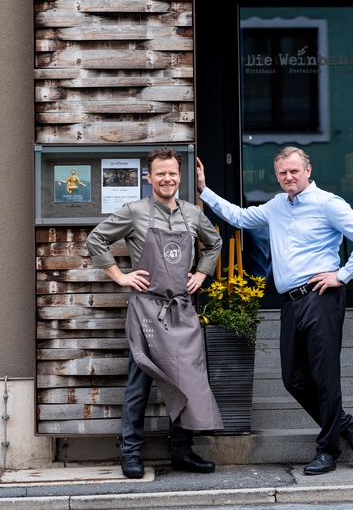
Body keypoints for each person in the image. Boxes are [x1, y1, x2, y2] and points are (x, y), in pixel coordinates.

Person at [196, 146, 353, 475]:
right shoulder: (277, 206)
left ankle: (328, 450)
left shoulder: (328, 204)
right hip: (291, 302)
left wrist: (342, 275)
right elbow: (239, 217)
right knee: (293, 378)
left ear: (308, 171)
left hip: (321, 297)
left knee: (324, 378)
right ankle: (349, 425)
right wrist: (203, 191)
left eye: (294, 171)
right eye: (282, 173)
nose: (288, 177)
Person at [87, 147, 223, 479]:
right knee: (139, 383)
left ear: (180, 176)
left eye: (172, 173)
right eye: (160, 173)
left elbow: (215, 243)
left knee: (185, 380)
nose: (167, 178)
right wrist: (120, 276)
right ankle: (131, 453)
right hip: (147, 309)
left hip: (181, 310)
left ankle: (182, 452)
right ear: (149, 178)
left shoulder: (192, 213)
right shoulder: (134, 212)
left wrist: (202, 273)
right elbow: (96, 240)